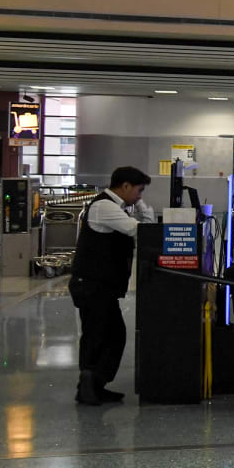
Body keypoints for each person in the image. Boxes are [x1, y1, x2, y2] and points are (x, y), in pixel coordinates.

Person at [70, 166, 153, 405]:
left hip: (102, 285)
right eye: (139, 190)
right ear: (125, 186)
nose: (140, 195)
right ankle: (87, 388)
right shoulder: (103, 207)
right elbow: (139, 230)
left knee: (112, 334)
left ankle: (96, 383)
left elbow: (142, 224)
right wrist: (139, 207)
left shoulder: (117, 207)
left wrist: (138, 204)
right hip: (92, 284)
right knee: (98, 334)